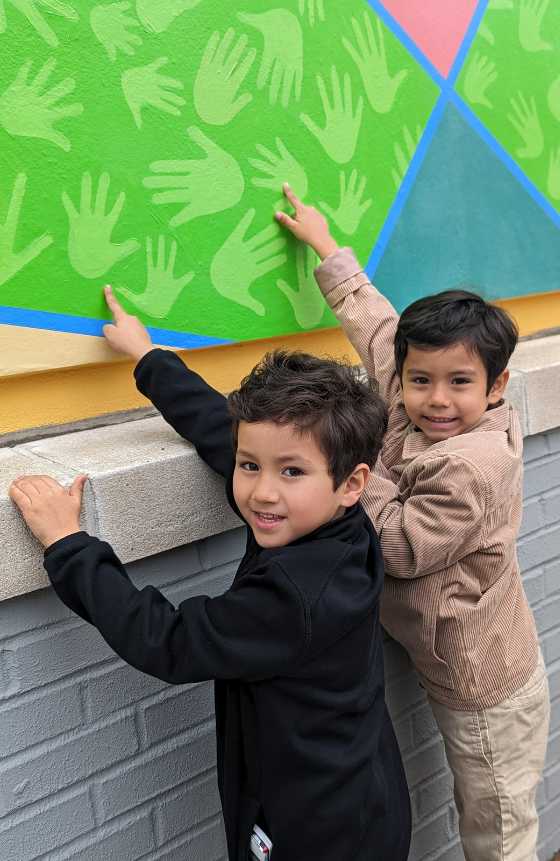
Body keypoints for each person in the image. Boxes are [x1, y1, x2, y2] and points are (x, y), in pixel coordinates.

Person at [9, 289, 411, 861]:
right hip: (363, 794)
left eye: (290, 472)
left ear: (352, 482)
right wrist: (149, 360)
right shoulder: (334, 521)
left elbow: (168, 641)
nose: (262, 491)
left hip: (315, 833)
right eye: (253, 467)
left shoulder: (293, 595)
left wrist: (68, 545)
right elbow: (228, 434)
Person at [275, 183, 550, 861]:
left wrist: (352, 473)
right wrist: (325, 247)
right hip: (448, 654)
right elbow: (377, 327)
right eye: (419, 379)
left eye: (460, 382)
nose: (434, 399)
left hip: (485, 688)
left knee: (497, 822)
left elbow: (397, 545)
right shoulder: (408, 387)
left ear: (496, 387)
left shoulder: (473, 467)